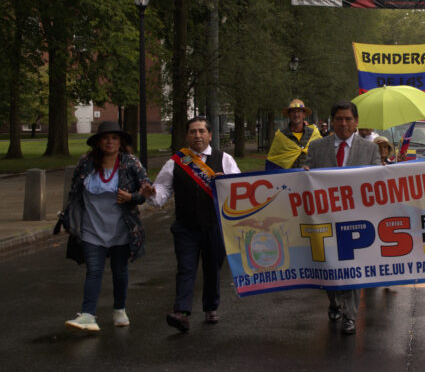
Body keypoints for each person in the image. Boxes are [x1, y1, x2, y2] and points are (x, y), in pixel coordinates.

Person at [140, 116, 241, 333]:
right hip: (186, 227)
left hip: (215, 225)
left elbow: (240, 191)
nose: (197, 135)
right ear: (187, 136)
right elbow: (163, 192)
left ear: (210, 135)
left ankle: (211, 307)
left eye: (202, 131)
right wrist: (152, 194)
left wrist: (227, 185)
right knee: (186, 269)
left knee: (212, 268)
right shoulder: (176, 162)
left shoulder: (225, 159)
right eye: (193, 131)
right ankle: (182, 312)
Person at [303, 101, 381, 335]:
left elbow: (378, 178)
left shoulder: (370, 150)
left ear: (356, 122)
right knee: (329, 265)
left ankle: (350, 316)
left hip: (356, 220)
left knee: (353, 268)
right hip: (325, 219)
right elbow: (305, 170)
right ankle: (334, 301)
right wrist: (305, 173)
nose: (344, 123)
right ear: (332, 121)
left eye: (348, 119)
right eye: (339, 119)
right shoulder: (317, 147)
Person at [63, 121, 150, 332]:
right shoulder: (86, 162)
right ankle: (88, 315)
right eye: (105, 138)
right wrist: (70, 219)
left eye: (114, 138)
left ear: (120, 142)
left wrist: (132, 196)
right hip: (92, 229)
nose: (110, 141)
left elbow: (145, 192)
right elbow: (74, 192)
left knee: (119, 271)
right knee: (94, 271)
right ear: (98, 142)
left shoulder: (130, 163)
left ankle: (119, 310)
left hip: (121, 229)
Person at [266, 99, 321, 170]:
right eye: (293, 111)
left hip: (309, 178)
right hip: (288, 179)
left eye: (299, 111)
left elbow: (322, 156)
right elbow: (273, 160)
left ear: (304, 114)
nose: (296, 114)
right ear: (289, 114)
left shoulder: (313, 134)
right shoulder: (281, 136)